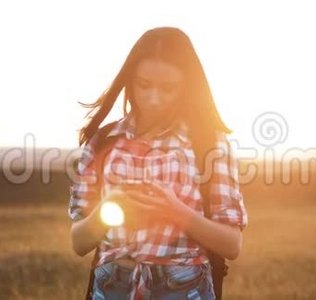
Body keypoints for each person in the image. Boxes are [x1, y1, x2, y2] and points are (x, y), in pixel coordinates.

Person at [68, 26, 248, 300]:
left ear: (187, 87)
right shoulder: (103, 141)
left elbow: (232, 244)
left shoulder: (209, 144)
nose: (153, 98)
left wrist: (175, 212)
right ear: (130, 81)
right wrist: (110, 208)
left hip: (184, 289)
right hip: (112, 288)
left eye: (168, 89)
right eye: (144, 85)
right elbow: (79, 242)